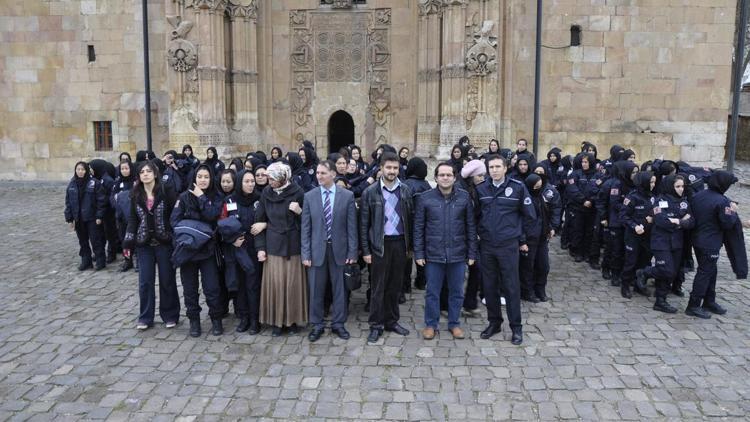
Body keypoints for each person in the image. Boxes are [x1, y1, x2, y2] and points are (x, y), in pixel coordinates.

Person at [476, 155, 536, 345]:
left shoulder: (517, 188)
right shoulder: (481, 189)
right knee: (489, 286)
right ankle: (494, 322)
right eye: (491, 167)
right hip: (487, 245)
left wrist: (520, 237)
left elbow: (530, 216)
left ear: (505, 168)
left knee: (511, 287)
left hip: (508, 246)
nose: (494, 170)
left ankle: (516, 328)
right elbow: (475, 215)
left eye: (497, 166)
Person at [414, 163, 477, 340]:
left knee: (456, 291)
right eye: (441, 175)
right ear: (436, 178)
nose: (445, 178)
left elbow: (470, 227)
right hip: (433, 254)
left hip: (458, 253)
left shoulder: (464, 198)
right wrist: (419, 253)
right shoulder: (425, 198)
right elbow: (419, 227)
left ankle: (454, 323)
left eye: (449, 175)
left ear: (454, 177)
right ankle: (430, 324)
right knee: (432, 292)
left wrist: (472, 253)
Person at [360, 152, 414, 344]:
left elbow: (411, 219)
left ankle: (392, 321)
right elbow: (364, 224)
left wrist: (411, 247)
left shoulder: (406, 190)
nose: (392, 171)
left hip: (400, 243)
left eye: (395, 168)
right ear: (381, 168)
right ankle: (376, 324)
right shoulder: (370, 192)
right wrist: (365, 250)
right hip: (379, 244)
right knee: (377, 286)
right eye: (388, 168)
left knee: (395, 285)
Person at [301, 160, 358, 342]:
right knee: (316, 289)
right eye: (317, 173)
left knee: (339, 289)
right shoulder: (309, 196)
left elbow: (352, 227)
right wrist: (306, 254)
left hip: (339, 250)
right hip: (317, 251)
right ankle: (317, 324)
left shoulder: (347, 196)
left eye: (323, 173)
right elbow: (306, 228)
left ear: (333, 174)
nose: (319, 176)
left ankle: (338, 323)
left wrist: (352, 252)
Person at [122, 161, 180, 330]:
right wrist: (128, 241)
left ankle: (170, 315)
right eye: (142, 172)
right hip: (143, 244)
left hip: (164, 243)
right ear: (139, 176)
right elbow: (133, 220)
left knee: (167, 280)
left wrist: (172, 235)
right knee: (145, 282)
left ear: (155, 174)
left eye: (149, 171)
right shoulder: (135, 194)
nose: (145, 174)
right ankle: (145, 317)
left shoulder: (166, 190)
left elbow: (174, 215)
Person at [171, 164, 225, 337]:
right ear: (194, 178)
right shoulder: (184, 197)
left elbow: (212, 215)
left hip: (208, 249)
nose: (202, 180)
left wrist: (202, 197)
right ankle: (194, 320)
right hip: (188, 250)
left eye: (206, 177)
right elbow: (174, 221)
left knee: (212, 287)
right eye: (200, 176)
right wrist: (189, 234)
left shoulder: (216, 196)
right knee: (189, 288)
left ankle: (216, 319)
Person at [255, 162, 308, 336]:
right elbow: (258, 222)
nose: (269, 181)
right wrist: (260, 247)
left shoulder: (298, 192)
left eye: (272, 178)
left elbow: (308, 224)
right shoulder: (266, 193)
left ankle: (292, 320)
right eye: (268, 178)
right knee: (276, 286)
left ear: (283, 178)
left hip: (293, 246)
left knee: (292, 285)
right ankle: (277, 322)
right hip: (273, 246)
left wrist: (300, 211)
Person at [685, 171, 741, 318]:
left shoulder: (698, 195)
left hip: (697, 240)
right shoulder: (722, 201)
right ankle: (693, 305)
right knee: (704, 272)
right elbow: (727, 223)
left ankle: (709, 301)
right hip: (710, 242)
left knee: (711, 271)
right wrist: (733, 212)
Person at [635, 175, 694, 313]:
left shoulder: (684, 202)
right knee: (667, 269)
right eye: (677, 186)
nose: (681, 189)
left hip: (677, 242)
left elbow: (691, 221)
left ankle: (660, 300)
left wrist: (677, 221)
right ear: (670, 186)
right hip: (661, 241)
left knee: (670, 273)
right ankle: (644, 272)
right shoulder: (660, 201)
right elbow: (661, 221)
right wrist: (681, 220)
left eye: (682, 186)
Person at [220, 170, 262, 334]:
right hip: (237, 249)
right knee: (241, 285)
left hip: (254, 248)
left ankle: (255, 319)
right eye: (247, 181)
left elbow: (266, 220)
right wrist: (231, 240)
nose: (251, 184)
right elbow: (222, 224)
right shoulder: (229, 200)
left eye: (252, 181)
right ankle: (244, 318)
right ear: (239, 183)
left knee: (253, 285)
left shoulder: (259, 199)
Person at [521, 169, 561, 302]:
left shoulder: (539, 198)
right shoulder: (525, 200)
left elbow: (545, 215)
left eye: (540, 186)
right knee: (528, 267)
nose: (538, 189)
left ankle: (540, 289)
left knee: (543, 266)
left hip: (542, 237)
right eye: (536, 187)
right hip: (529, 238)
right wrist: (522, 240)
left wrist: (550, 228)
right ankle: (528, 291)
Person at [64, 161, 107, 271]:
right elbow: (68, 202)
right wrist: (69, 218)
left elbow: (101, 201)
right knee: (82, 241)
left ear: (87, 171)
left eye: (82, 169)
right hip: (79, 218)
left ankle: (100, 260)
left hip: (92, 218)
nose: (80, 172)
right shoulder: (72, 184)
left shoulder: (94, 183)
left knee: (95, 240)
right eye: (78, 169)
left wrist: (99, 216)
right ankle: (86, 260)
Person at [620, 171, 656, 299]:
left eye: (654, 182)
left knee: (644, 261)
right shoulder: (632, 197)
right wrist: (635, 226)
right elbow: (623, 216)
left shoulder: (652, 197)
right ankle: (625, 285)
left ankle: (639, 284)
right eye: (651, 182)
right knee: (631, 261)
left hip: (647, 235)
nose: (653, 185)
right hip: (633, 235)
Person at [459, 159, 487, 316]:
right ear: (471, 176)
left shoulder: (475, 190)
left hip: (472, 237)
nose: (483, 178)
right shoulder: (461, 190)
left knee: (476, 269)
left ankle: (469, 302)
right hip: (461, 238)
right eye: (480, 175)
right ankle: (447, 304)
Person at [402, 157, 431, 293]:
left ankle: (406, 284)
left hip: (408, 225)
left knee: (408, 255)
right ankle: (421, 281)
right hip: (424, 225)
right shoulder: (427, 186)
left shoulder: (405, 185)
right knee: (422, 254)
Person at [111, 160, 136, 272]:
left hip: (134, 216)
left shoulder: (136, 181)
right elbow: (112, 197)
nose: (125, 171)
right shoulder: (117, 182)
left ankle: (139, 260)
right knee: (124, 240)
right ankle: (127, 259)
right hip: (121, 216)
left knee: (135, 238)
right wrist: (117, 205)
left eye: (126, 168)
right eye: (122, 169)